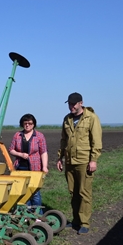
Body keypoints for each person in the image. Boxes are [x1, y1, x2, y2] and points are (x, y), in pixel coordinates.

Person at [56, 92, 102, 235]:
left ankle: (85, 223)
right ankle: (75, 220)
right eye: (69, 104)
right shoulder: (67, 119)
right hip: (70, 161)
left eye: (74, 104)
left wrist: (93, 160)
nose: (71, 107)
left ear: (81, 103)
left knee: (84, 192)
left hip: (84, 161)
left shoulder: (91, 118)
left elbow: (96, 141)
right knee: (73, 192)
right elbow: (64, 140)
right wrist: (60, 158)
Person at [8, 114, 48, 214]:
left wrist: (45, 167)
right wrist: (20, 154)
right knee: (23, 191)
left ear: (33, 124)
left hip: (35, 168)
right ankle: (26, 214)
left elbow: (44, 152)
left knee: (35, 192)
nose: (27, 125)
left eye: (30, 123)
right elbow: (11, 150)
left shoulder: (39, 136)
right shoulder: (17, 135)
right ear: (22, 124)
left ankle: (38, 215)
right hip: (20, 167)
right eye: (25, 123)